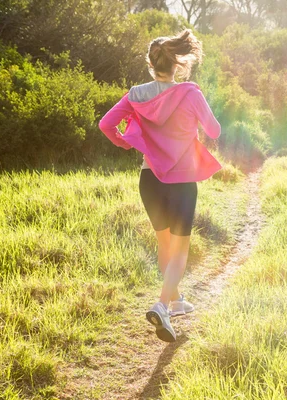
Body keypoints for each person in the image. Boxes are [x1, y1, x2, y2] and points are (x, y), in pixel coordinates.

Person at [98, 29, 221, 342]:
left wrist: (126, 143)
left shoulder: (137, 95)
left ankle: (176, 301)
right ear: (177, 63)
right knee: (180, 250)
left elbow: (106, 124)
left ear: (151, 65)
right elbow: (215, 130)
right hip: (181, 182)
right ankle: (163, 305)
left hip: (148, 179)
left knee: (164, 244)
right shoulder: (190, 93)